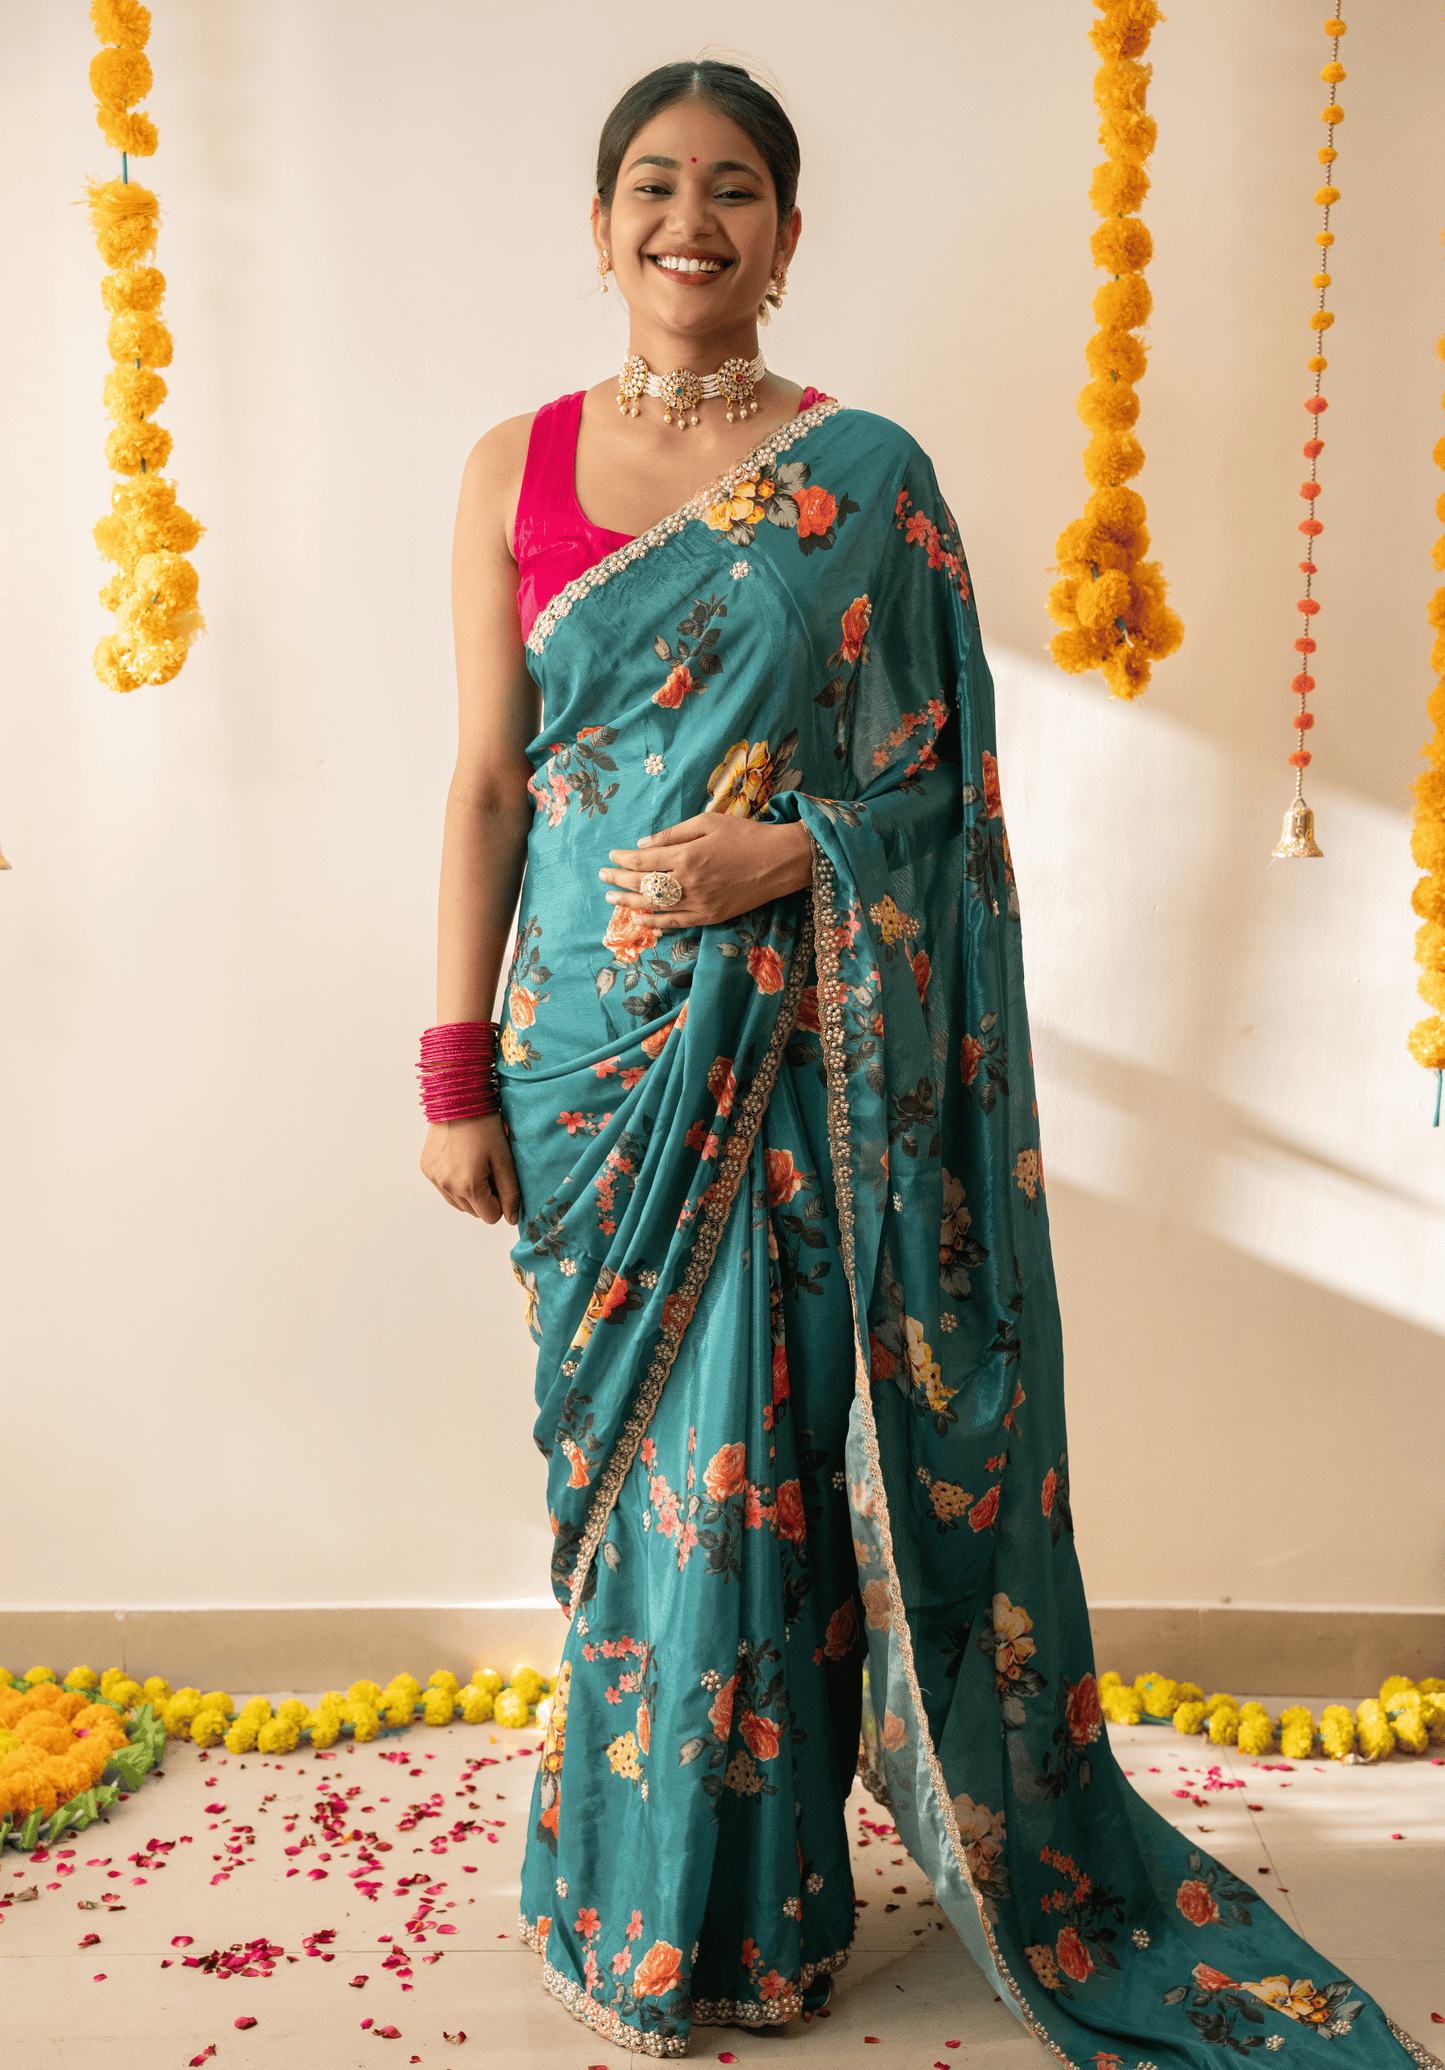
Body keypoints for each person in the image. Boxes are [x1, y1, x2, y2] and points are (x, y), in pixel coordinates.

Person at [419, 58, 1436, 2070]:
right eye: (650, 183)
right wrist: (453, 1067)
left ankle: (746, 1912)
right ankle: (630, 1868)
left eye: (731, 187)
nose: (686, 218)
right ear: (597, 221)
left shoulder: (864, 476)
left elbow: (947, 799)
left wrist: (788, 853)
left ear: (788, 237)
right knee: (630, 1486)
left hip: (795, 1049)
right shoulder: (505, 464)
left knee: (763, 1475)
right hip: (585, 1052)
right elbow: (478, 781)